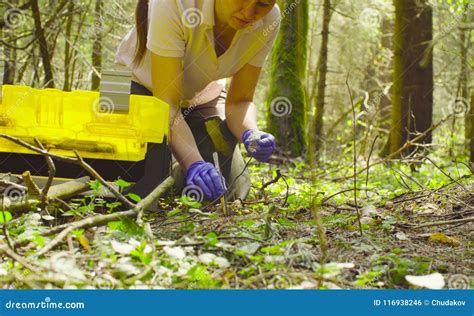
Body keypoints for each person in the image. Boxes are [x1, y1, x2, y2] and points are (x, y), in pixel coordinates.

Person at [115, 0, 280, 201]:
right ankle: (168, 167)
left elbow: (240, 101)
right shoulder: (174, 4)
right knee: (137, 176)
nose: (249, 12)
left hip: (198, 97)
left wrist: (251, 132)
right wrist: (194, 162)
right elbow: (166, 103)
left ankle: (175, 166)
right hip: (132, 86)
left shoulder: (269, 21)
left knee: (230, 188)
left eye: (263, 3)